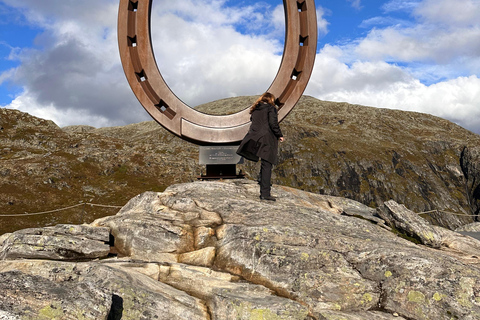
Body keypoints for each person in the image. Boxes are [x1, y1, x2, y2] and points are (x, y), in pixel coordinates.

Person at [237, 92, 284, 201]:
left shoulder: (255, 110)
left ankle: (264, 188)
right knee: (267, 165)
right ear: (271, 100)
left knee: (264, 165)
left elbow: (255, 123)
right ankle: (265, 193)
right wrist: (279, 135)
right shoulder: (271, 109)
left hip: (255, 138)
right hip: (267, 139)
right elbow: (273, 123)